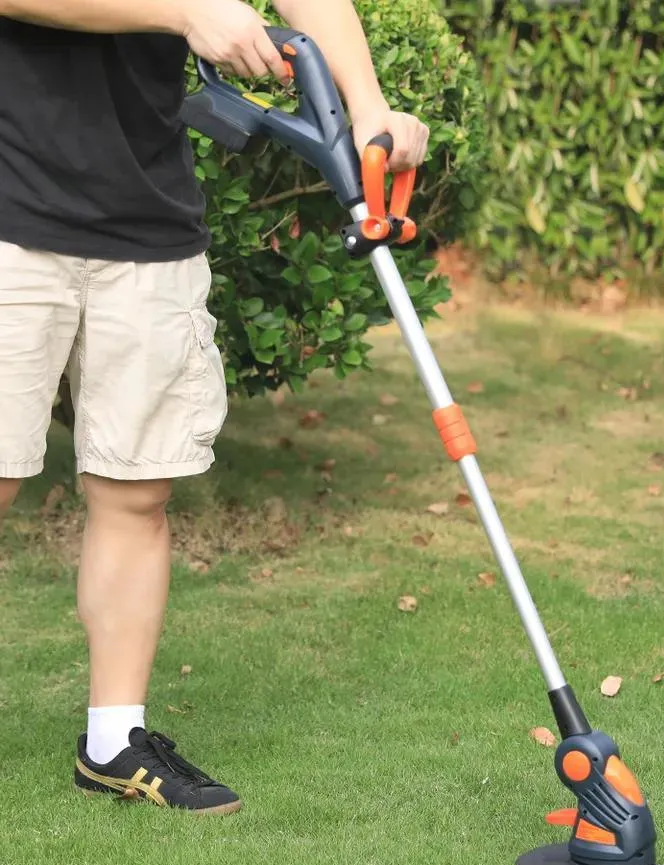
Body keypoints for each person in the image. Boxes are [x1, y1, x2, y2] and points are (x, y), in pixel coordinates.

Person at [0, 0, 429, 813]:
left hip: (147, 211)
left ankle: (113, 741)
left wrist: (369, 111)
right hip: (10, 209)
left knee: (138, 485)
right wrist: (184, 10)